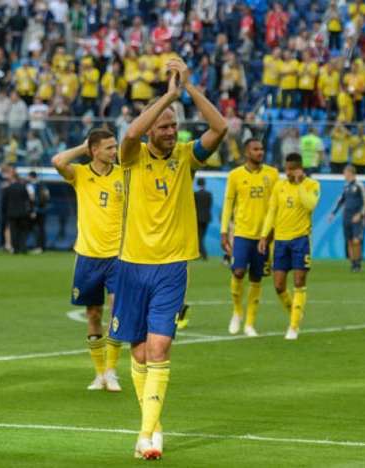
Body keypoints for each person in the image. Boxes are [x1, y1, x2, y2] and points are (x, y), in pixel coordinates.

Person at [110, 57, 226, 460]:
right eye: (164, 125)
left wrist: (189, 90)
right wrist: (167, 97)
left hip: (172, 267)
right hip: (130, 265)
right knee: (139, 353)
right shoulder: (131, 157)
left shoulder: (186, 156)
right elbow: (130, 132)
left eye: (174, 125)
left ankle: (146, 436)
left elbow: (221, 128)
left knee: (159, 349)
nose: (171, 130)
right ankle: (154, 424)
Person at [51, 128, 125, 393]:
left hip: (118, 256)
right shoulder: (81, 174)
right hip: (88, 256)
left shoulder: (123, 175)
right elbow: (58, 161)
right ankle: (98, 373)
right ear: (95, 150)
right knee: (93, 314)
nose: (114, 152)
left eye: (115, 147)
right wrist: (83, 148)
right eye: (108, 147)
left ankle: (112, 371)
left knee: (117, 308)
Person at [258, 153, 320, 341]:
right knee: (278, 286)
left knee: (299, 282)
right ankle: (296, 312)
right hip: (280, 241)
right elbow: (271, 212)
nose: (288, 172)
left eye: (291, 169)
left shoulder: (312, 185)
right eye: (286, 169)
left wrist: (300, 184)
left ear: (299, 168)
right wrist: (263, 236)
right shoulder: (280, 186)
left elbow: (310, 205)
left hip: (301, 239)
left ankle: (293, 326)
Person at [221, 138, 279, 336]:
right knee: (237, 272)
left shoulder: (272, 174)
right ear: (247, 152)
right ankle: (237, 312)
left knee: (256, 278)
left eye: (262, 149)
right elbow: (228, 204)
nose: (260, 152)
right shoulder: (235, 175)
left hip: (263, 236)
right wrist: (223, 232)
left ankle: (250, 323)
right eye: (256, 149)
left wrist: (271, 232)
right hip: (242, 234)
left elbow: (275, 206)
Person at [329, 165, 365, 272]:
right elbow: (340, 200)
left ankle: (358, 263)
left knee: (356, 241)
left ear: (350, 173)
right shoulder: (346, 187)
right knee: (349, 241)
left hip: (356, 217)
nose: (344, 175)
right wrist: (333, 213)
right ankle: (353, 264)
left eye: (345, 173)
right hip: (346, 216)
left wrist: (360, 214)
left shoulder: (360, 185)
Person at [1, 169, 32, 254]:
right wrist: (29, 211)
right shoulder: (23, 187)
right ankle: (23, 247)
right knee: (23, 231)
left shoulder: (8, 188)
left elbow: (4, 202)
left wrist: (5, 212)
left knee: (13, 231)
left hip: (11, 213)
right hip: (23, 213)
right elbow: (28, 200)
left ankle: (15, 248)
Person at [26, 171, 50, 254]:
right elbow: (47, 196)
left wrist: (33, 210)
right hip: (43, 210)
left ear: (31, 177)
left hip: (37, 211)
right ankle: (42, 247)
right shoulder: (43, 185)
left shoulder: (33, 186)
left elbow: (33, 199)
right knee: (41, 229)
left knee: (37, 229)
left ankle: (38, 247)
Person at [194, 178, 212, 261]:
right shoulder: (209, 194)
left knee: (199, 237)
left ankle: (203, 254)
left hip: (198, 218)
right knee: (202, 236)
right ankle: (200, 254)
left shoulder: (196, 194)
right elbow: (209, 206)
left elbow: (194, 207)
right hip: (206, 218)